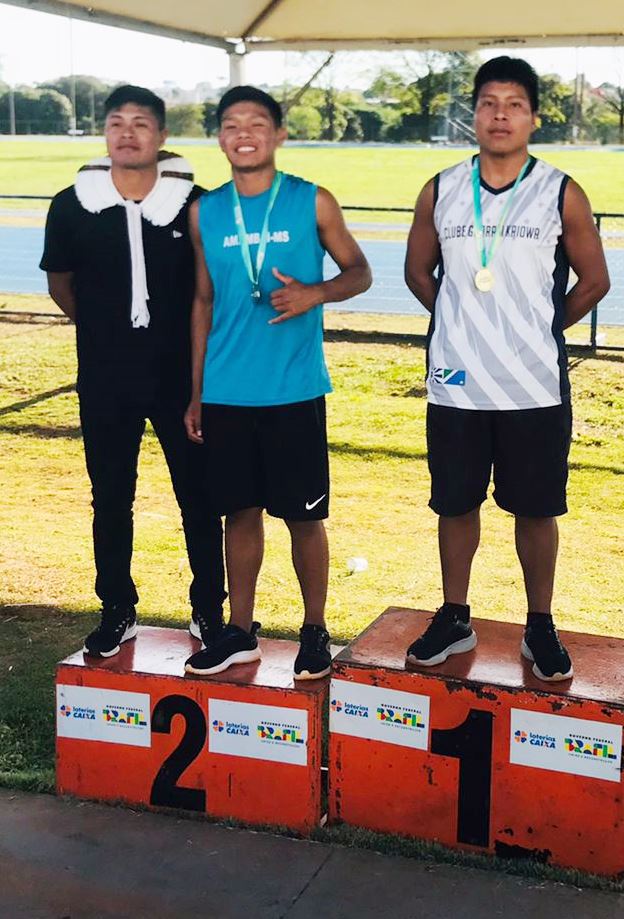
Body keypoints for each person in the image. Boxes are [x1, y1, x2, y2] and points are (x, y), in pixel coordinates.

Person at [403, 57, 610, 681]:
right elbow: (417, 272)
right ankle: (455, 613)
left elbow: (594, 280)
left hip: (534, 385)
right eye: (489, 102)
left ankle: (539, 624)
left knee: (536, 509)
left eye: (514, 104)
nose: (500, 114)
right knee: (455, 505)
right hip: (456, 384)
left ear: (534, 118)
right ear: (474, 114)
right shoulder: (440, 188)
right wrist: (463, 324)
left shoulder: (562, 190)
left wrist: (540, 329)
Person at [182, 86, 371, 679]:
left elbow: (360, 271)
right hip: (227, 391)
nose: (244, 132)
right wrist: (196, 391)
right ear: (219, 137)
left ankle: (315, 631)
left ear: (278, 134)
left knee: (304, 517)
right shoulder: (204, 211)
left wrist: (318, 292)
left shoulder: (311, 201)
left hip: (293, 391)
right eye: (231, 123)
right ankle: (240, 631)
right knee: (238, 513)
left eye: (257, 123)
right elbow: (203, 301)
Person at [41, 85, 226, 657]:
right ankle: (116, 607)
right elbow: (61, 284)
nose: (127, 132)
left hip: (179, 378)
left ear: (162, 136)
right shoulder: (71, 203)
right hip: (105, 378)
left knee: (198, 496)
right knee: (111, 497)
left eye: (141, 123)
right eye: (117, 122)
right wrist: (110, 330)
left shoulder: (197, 203)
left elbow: (208, 294)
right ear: (105, 133)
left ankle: (208, 609)